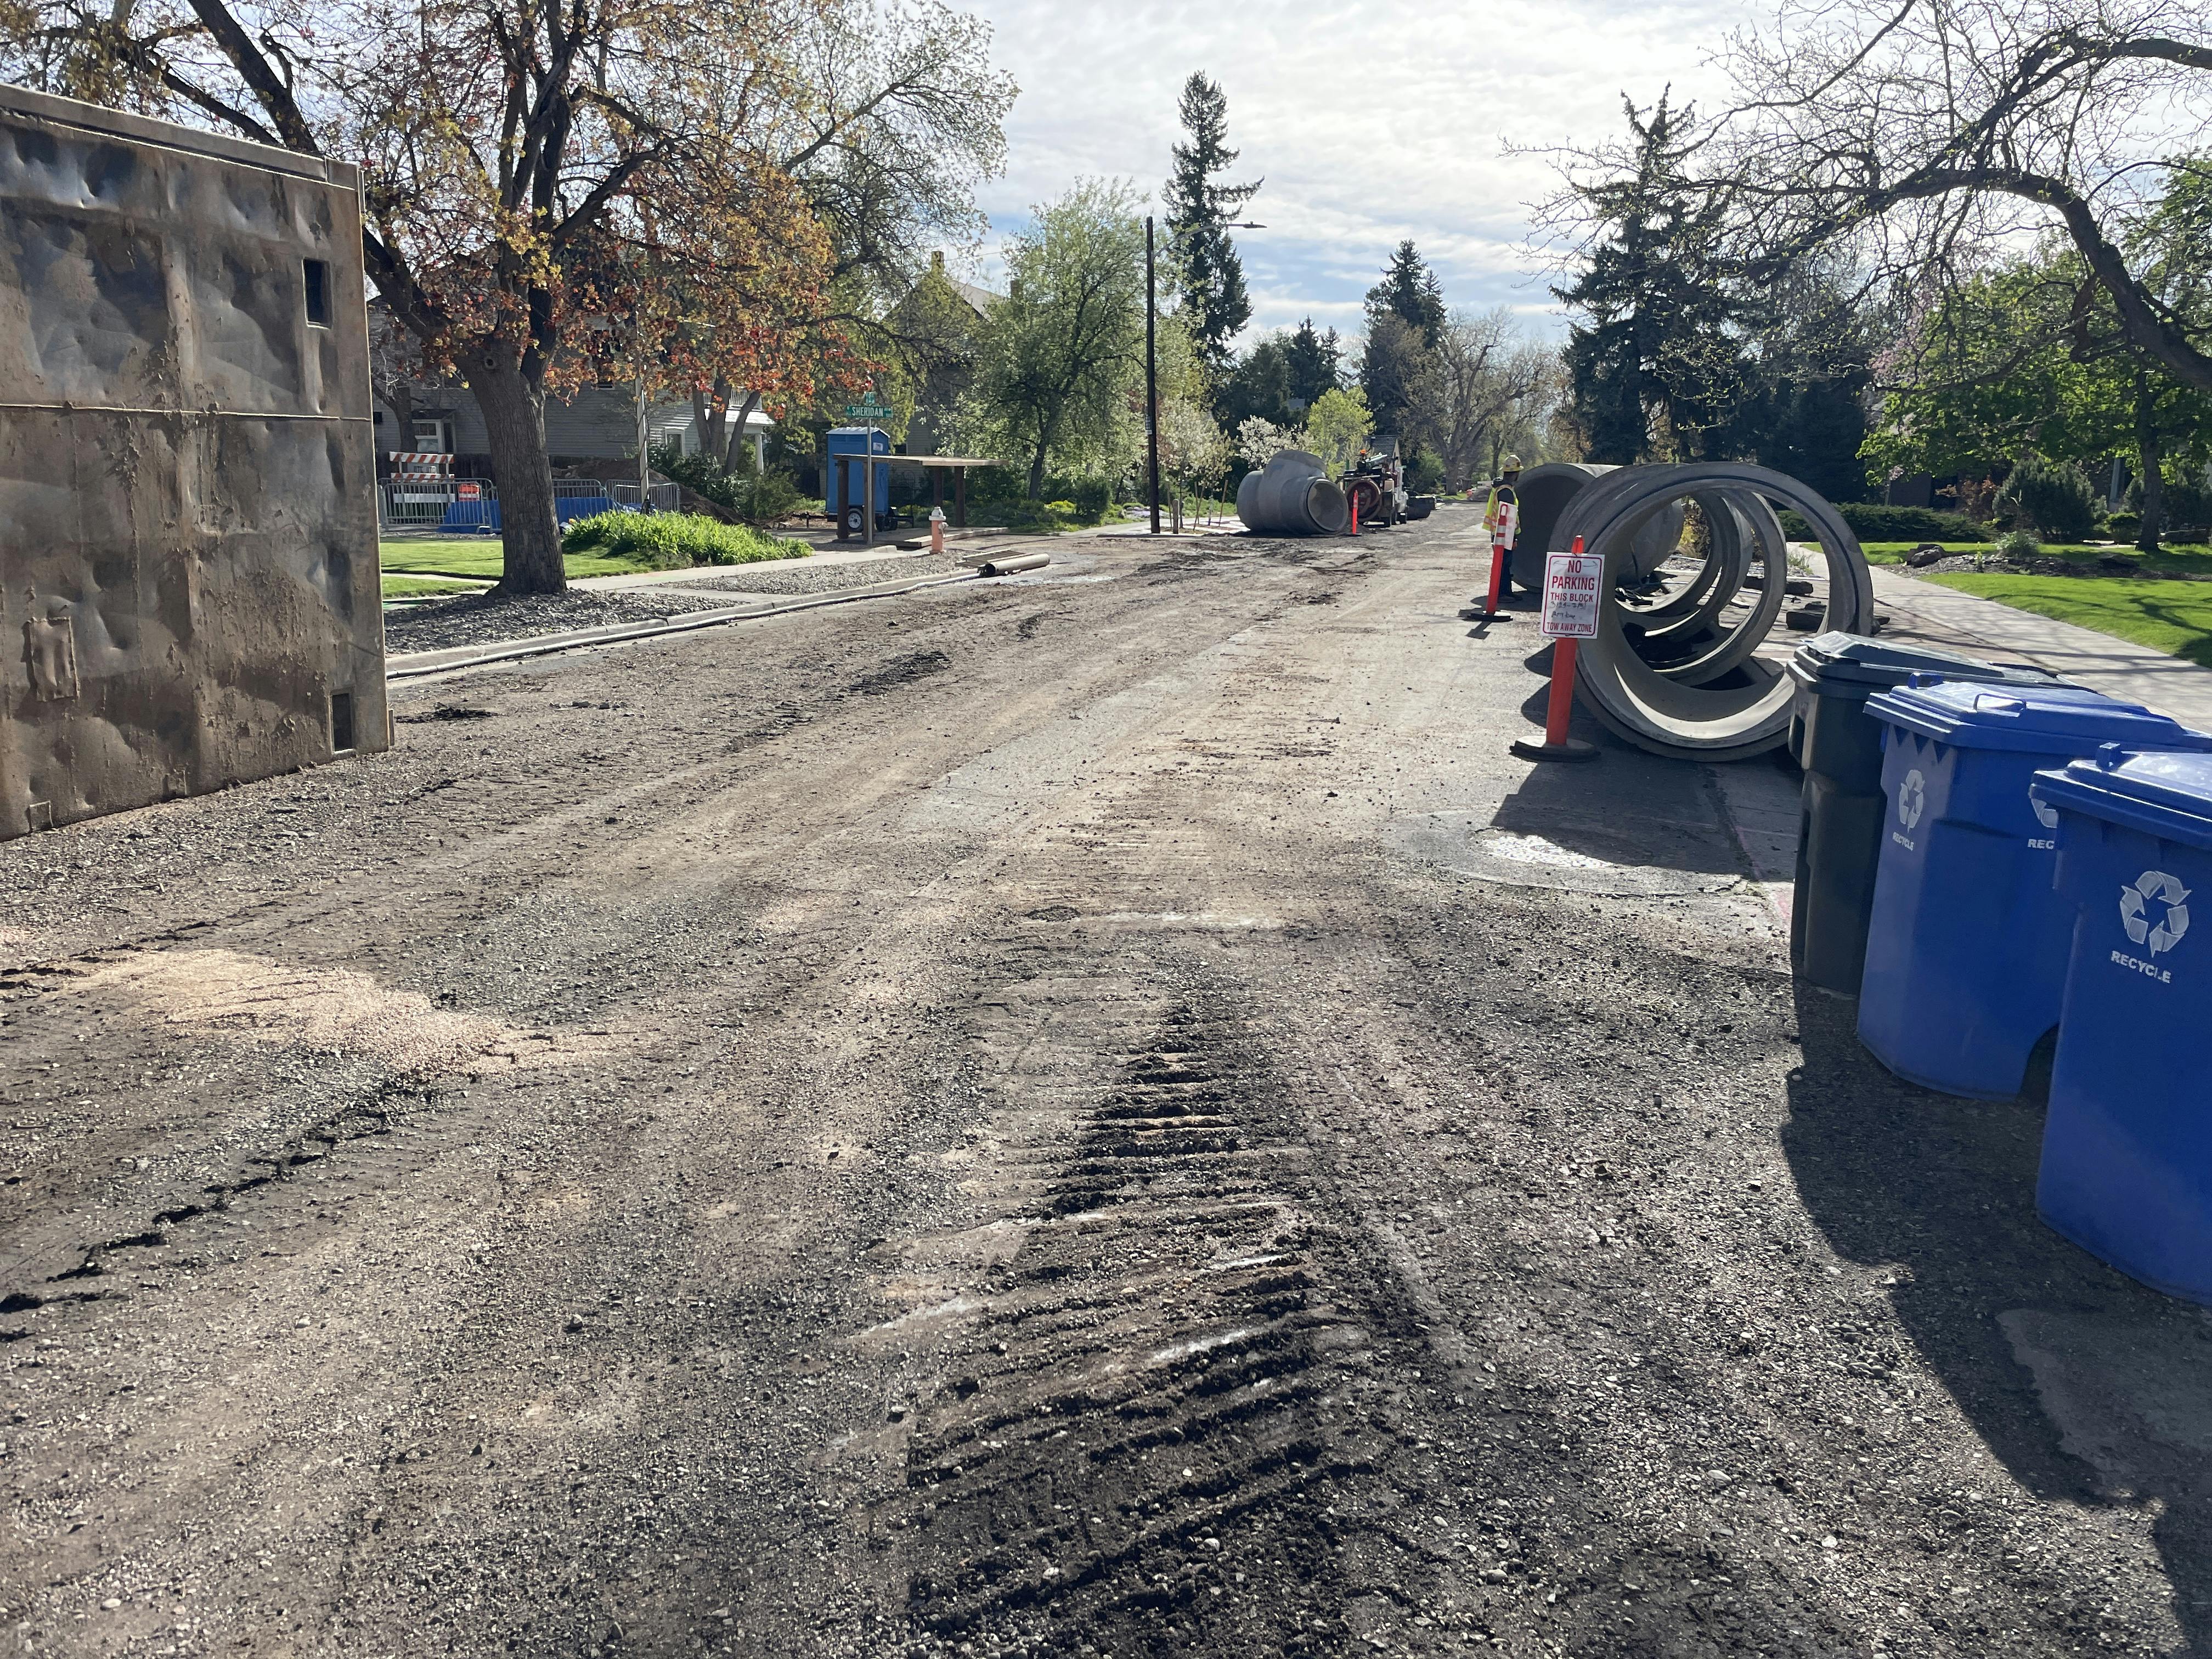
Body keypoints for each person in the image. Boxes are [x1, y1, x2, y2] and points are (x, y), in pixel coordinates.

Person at [1482, 454, 1524, 599]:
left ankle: (1506, 592)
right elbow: (1509, 516)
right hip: (1504, 533)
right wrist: (1514, 538)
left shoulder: (1501, 487)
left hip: (1499, 532)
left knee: (1505, 563)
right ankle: (1500, 593)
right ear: (1516, 473)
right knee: (1503, 563)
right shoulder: (1506, 490)